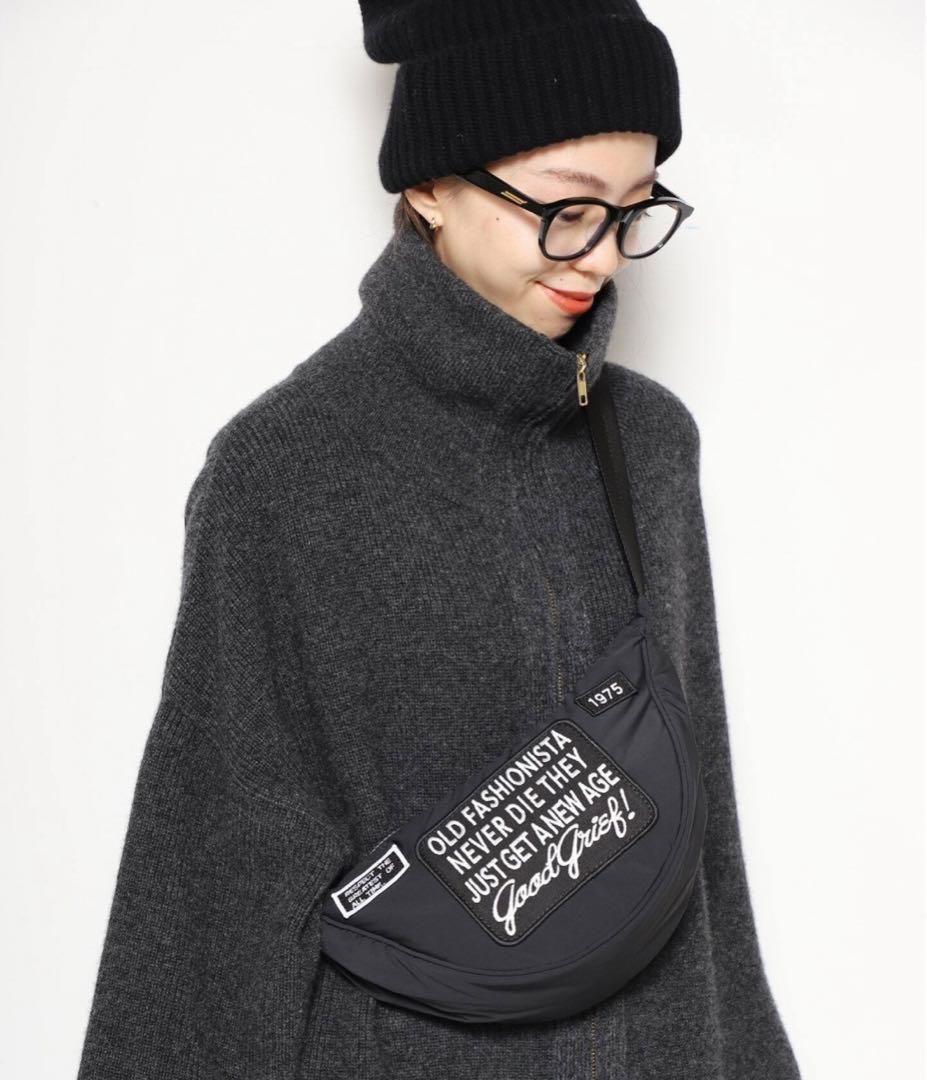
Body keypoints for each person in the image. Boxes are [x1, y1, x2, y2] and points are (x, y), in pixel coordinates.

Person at [77, 2, 803, 1077]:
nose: (602, 257)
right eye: (566, 209)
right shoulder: (283, 470)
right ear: (428, 184)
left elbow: (701, 839)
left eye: (634, 211)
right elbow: (218, 875)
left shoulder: (651, 445)